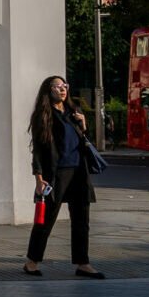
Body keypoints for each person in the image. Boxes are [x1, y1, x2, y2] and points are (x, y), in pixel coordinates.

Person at [25, 74, 104, 279]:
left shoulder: (73, 112)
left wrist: (83, 125)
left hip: (79, 170)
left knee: (81, 218)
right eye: (57, 86)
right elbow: (38, 150)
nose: (63, 89)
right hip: (56, 173)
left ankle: (82, 263)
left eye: (65, 85)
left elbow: (81, 142)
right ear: (48, 90)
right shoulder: (43, 115)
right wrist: (38, 176)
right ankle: (32, 261)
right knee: (47, 217)